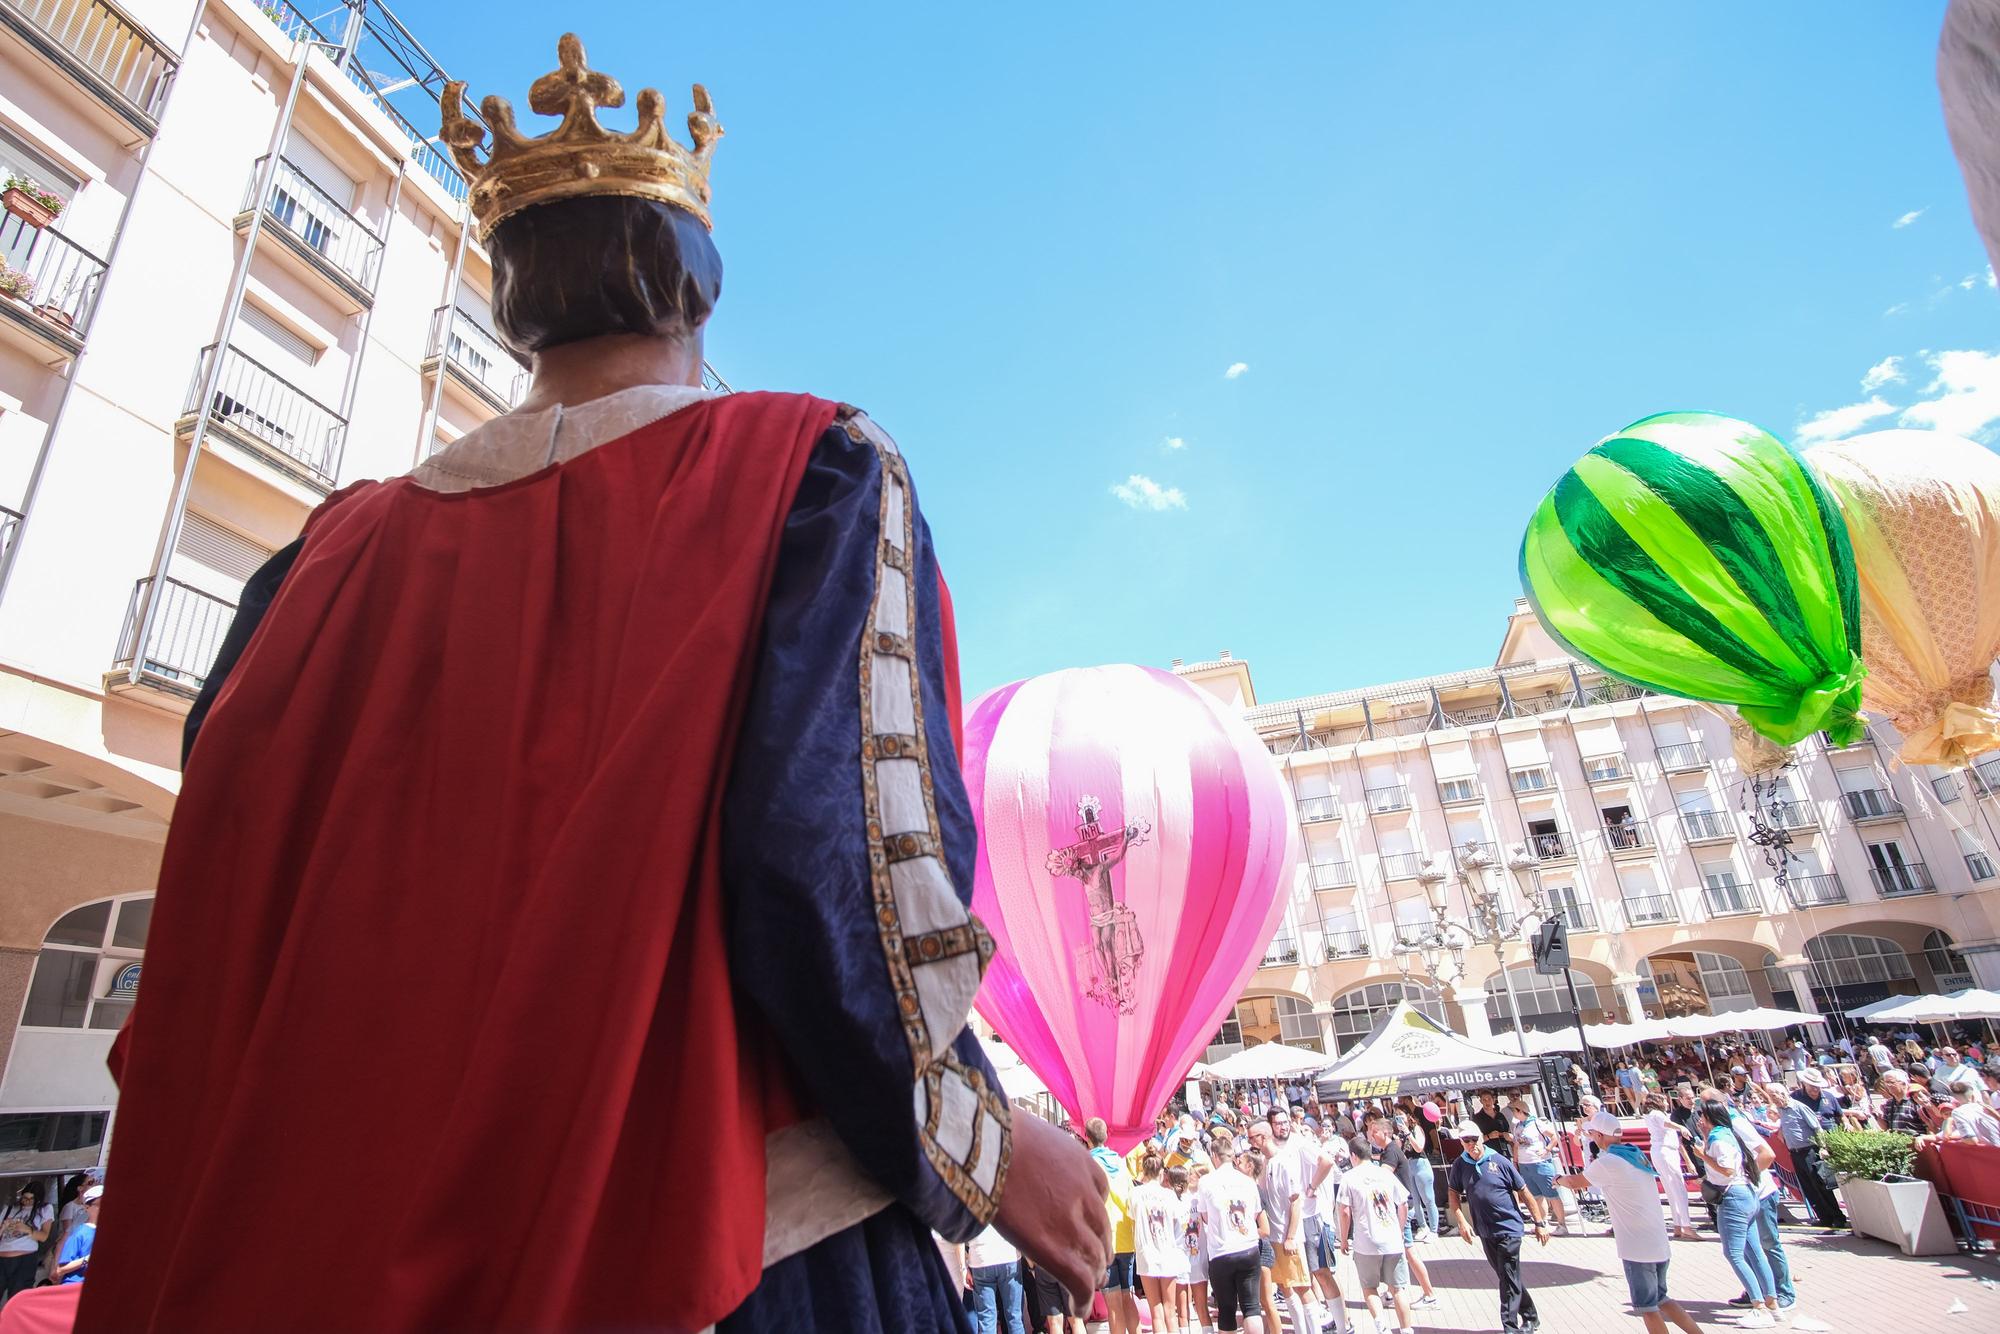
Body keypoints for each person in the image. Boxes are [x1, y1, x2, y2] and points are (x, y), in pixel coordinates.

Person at [76, 36, 1113, 1334]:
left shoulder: (313, 562)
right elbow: (832, 863)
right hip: (732, 1257)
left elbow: (216, 924)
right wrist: (989, 1142)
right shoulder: (813, 468)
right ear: (696, 288)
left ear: (515, 302)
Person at [1556, 1111, 1702, 1334]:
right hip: (1657, 1241)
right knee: (1662, 1298)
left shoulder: (1608, 1162)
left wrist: (1557, 1179)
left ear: (1600, 1135)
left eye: (1593, 1133)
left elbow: (1576, 1182)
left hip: (1637, 1247)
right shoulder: (1633, 1153)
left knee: (1648, 1307)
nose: (1592, 1138)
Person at [1445, 1120, 1549, 1334]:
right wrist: (1461, 1220)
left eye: (1474, 1139)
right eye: (1466, 1140)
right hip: (1485, 1229)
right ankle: (1530, 1315)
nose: (1471, 1144)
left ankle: (1509, 1327)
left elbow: (1524, 1192)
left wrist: (1539, 1223)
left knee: (1508, 1276)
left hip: (1509, 1228)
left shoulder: (1499, 1161)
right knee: (1506, 1276)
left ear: (1481, 1138)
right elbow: (1453, 1193)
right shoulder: (1460, 1164)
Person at [1698, 1098, 1778, 1329]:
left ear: (1709, 1117)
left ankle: (1758, 1305)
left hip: (1732, 1196)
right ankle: (1771, 1301)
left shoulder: (1720, 1139)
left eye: (1702, 1116)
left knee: (1734, 1253)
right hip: (1747, 1194)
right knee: (1754, 1251)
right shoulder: (1727, 1134)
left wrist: (1702, 1155)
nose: (1700, 1120)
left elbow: (1727, 1170)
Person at [1335, 1141, 1415, 1334]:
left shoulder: (1349, 1177)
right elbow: (1403, 1202)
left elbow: (1344, 1211)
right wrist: (1400, 1229)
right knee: (1398, 1288)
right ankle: (1406, 1329)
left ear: (1353, 1156)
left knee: (1370, 1288)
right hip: (1392, 1240)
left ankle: (1382, 1327)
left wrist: (1344, 1239)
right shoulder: (1385, 1174)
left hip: (1366, 1243)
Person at [1194, 1150, 1266, 1334]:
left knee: (1226, 1309)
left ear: (1215, 1156)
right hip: (1248, 1247)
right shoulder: (1247, 1181)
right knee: (1251, 1307)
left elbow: (1205, 1217)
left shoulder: (1206, 1181)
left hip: (1221, 1252)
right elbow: (1256, 1213)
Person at [1088, 1118, 1141, 1334]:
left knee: (1113, 1304)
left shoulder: (1089, 1163)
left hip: (1104, 1240)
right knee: (1128, 1297)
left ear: (1087, 1138)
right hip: (1125, 1235)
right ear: (1106, 1136)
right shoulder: (1120, 1161)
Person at [1778, 1076, 1847, 1231]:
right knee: (1808, 1187)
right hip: (1795, 1151)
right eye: (1812, 1087)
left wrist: (1822, 1147)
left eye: (1817, 1087)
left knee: (1821, 1184)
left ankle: (1837, 1216)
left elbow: (1817, 1127)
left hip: (1812, 1148)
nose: (1815, 1090)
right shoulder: (1786, 1104)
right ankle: (1824, 1217)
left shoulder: (1800, 1105)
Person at [1132, 1153, 1185, 1334]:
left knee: (1156, 1309)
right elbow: (1179, 1220)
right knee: (1170, 1311)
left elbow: (1131, 1215)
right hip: (1168, 1251)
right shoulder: (1169, 1195)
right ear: (1162, 1172)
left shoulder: (1136, 1193)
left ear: (1144, 1171)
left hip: (1146, 1253)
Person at [1507, 1094, 1569, 1234]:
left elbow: (1555, 1136)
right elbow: (1516, 1144)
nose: (1514, 1114)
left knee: (1551, 1194)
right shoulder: (1517, 1126)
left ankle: (1562, 1224)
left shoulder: (1537, 1123)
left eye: (1515, 1111)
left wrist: (1547, 1149)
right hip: (1524, 1164)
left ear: (1521, 1111)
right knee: (1536, 1195)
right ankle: (1542, 1222)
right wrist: (1516, 1161)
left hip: (1540, 1162)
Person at [1641, 1092, 1697, 1239]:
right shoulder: (1656, 1114)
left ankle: (1678, 1225)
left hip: (1662, 1152)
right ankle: (1686, 1225)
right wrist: (1681, 1127)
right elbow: (1666, 1123)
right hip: (1666, 1151)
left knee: (1671, 1189)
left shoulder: (1652, 1115)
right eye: (1664, 1101)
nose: (1666, 1103)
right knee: (1678, 1188)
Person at [965, 1223, 1028, 1334]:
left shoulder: (968, 1204)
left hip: (980, 1258)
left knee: (987, 1319)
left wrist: (964, 1268)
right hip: (1008, 1254)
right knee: (1015, 1317)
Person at [0, 1184, 51, 1301]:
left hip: (24, 1258)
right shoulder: (9, 1208)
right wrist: (4, 1227)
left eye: (31, 1199)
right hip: (3, 1257)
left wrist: (27, 1229)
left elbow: (44, 1236)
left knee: (17, 1297)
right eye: (24, 1198)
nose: (27, 1202)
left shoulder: (44, 1209)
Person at [51, 1186, 99, 1287]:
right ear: (87, 1207)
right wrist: (87, 1259)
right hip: (77, 1288)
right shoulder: (80, 1233)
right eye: (100, 1204)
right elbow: (61, 1269)